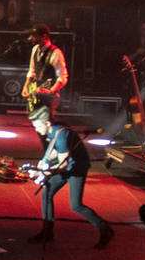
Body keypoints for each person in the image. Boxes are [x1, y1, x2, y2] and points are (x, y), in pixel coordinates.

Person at [28, 106, 112, 248]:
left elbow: (63, 164)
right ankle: (47, 232)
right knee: (47, 192)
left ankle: (105, 229)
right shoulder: (52, 130)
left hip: (76, 168)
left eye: (37, 126)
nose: (36, 129)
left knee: (76, 205)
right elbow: (54, 151)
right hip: (68, 165)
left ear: (47, 123)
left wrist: (41, 172)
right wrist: (42, 163)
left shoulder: (61, 134)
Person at [25, 24, 69, 139]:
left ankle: (56, 151)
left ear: (44, 36)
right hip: (37, 94)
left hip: (49, 97)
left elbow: (62, 76)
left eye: (35, 36)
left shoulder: (56, 53)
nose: (32, 38)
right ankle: (48, 153)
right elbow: (32, 70)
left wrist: (51, 91)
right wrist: (26, 86)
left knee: (48, 127)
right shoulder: (35, 50)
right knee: (39, 128)